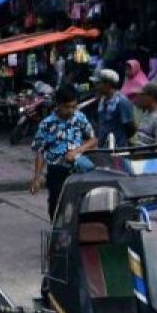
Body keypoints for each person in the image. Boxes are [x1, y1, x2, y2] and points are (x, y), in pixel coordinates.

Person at [30, 84, 98, 219]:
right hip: (56, 171)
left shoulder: (79, 118)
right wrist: (37, 178)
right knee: (56, 208)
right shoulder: (46, 124)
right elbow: (40, 152)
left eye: (74, 106)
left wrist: (77, 151)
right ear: (58, 104)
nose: (72, 110)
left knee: (80, 207)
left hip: (78, 170)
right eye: (68, 107)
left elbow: (93, 140)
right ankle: (58, 235)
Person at [93, 68, 136, 147]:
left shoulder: (122, 102)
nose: (96, 86)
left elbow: (131, 127)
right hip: (103, 147)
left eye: (98, 83)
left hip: (118, 148)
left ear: (108, 84)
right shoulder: (102, 100)